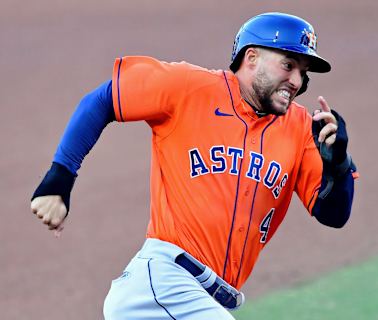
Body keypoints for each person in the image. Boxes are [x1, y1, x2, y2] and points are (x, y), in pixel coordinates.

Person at [30, 12, 358, 320]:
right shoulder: (189, 87)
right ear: (251, 57)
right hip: (161, 285)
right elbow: (104, 99)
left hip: (203, 300)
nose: (297, 81)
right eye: (289, 65)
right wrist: (59, 177)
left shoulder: (302, 128)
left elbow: (334, 216)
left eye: (303, 73)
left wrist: (339, 164)